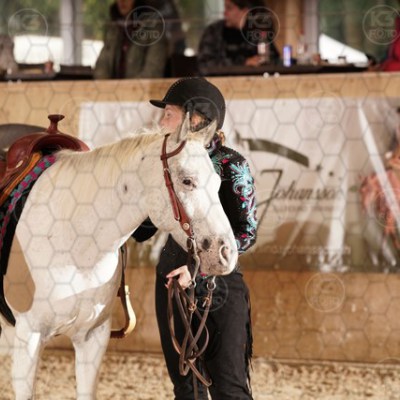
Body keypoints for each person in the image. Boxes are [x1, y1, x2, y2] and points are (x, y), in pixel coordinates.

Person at [132, 77, 257, 399]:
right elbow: (143, 232)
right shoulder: (163, 165)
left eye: (168, 114)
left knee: (229, 388)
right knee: (185, 388)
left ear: (196, 119)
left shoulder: (231, 164)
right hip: (171, 283)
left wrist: (196, 269)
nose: (161, 123)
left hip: (218, 286)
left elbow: (246, 232)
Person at [197, 0, 280, 75]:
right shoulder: (213, 32)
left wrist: (260, 62)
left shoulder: (258, 33)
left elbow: (273, 61)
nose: (224, 13)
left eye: (229, 8)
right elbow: (205, 65)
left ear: (244, 11)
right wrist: (243, 63)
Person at [94, 0, 168, 79]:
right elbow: (102, 65)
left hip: (139, 86)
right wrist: (104, 84)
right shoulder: (113, 28)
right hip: (113, 86)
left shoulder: (153, 27)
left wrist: (130, 86)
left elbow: (153, 71)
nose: (122, 1)